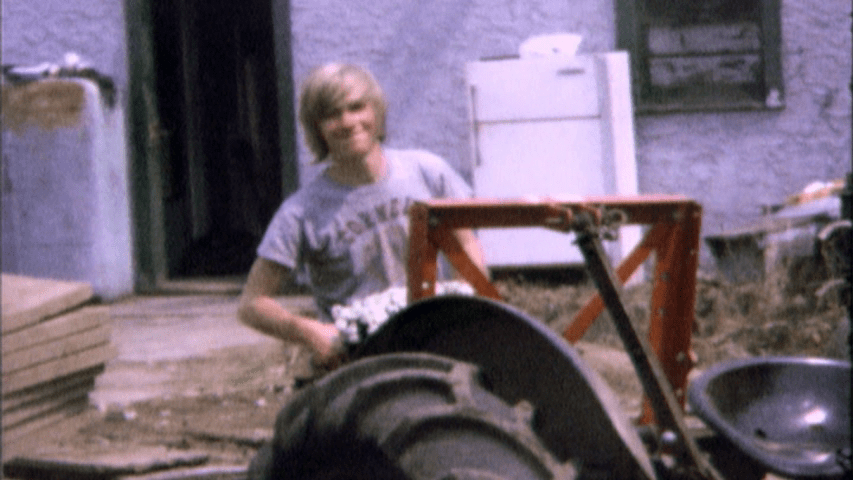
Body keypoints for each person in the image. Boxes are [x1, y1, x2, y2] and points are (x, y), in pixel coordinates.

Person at [238, 63, 487, 369]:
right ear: (316, 128)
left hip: (435, 340)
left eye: (357, 107)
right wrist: (311, 331)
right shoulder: (301, 212)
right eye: (332, 114)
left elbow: (467, 247)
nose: (347, 121)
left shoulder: (427, 173)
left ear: (376, 112)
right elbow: (252, 304)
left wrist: (468, 317)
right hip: (360, 357)